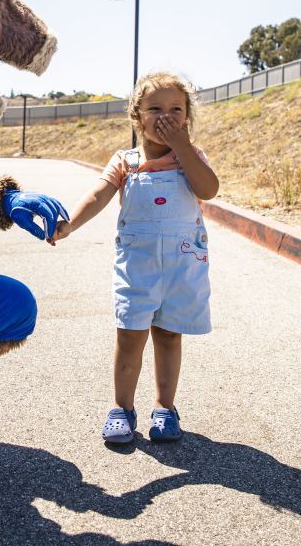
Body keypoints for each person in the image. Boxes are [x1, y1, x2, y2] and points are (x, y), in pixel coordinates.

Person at [51, 72, 219, 444]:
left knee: (169, 335)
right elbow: (98, 194)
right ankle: (122, 408)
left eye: (176, 109)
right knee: (129, 335)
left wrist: (185, 148)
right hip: (137, 267)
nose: (166, 117)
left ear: (187, 118)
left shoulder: (190, 159)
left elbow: (208, 189)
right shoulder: (125, 162)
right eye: (155, 109)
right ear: (136, 117)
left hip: (181, 266)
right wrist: (69, 225)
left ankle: (165, 407)